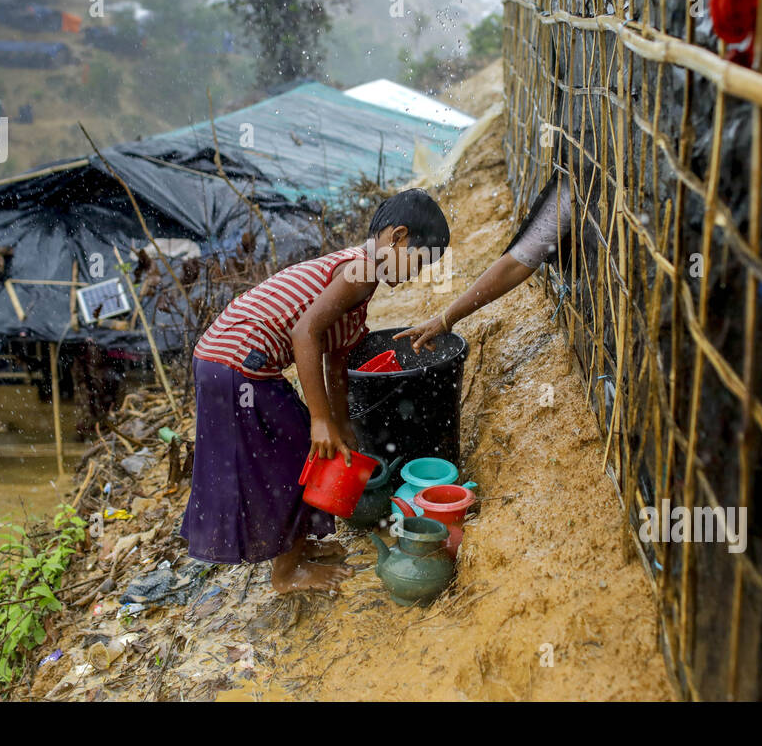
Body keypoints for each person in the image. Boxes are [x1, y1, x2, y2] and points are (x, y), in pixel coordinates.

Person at [182, 189, 451, 593]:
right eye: (418, 261)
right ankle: (287, 573)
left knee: (301, 451)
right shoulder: (359, 273)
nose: (415, 274)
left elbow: (335, 357)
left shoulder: (359, 273)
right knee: (298, 457)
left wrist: (340, 422)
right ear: (397, 238)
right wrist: (320, 421)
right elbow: (305, 332)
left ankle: (297, 546)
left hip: (223, 362)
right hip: (235, 366)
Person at [398, 172, 571, 351]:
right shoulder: (571, 184)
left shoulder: (575, 183)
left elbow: (518, 263)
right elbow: (517, 263)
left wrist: (446, 319)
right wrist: (444, 319)